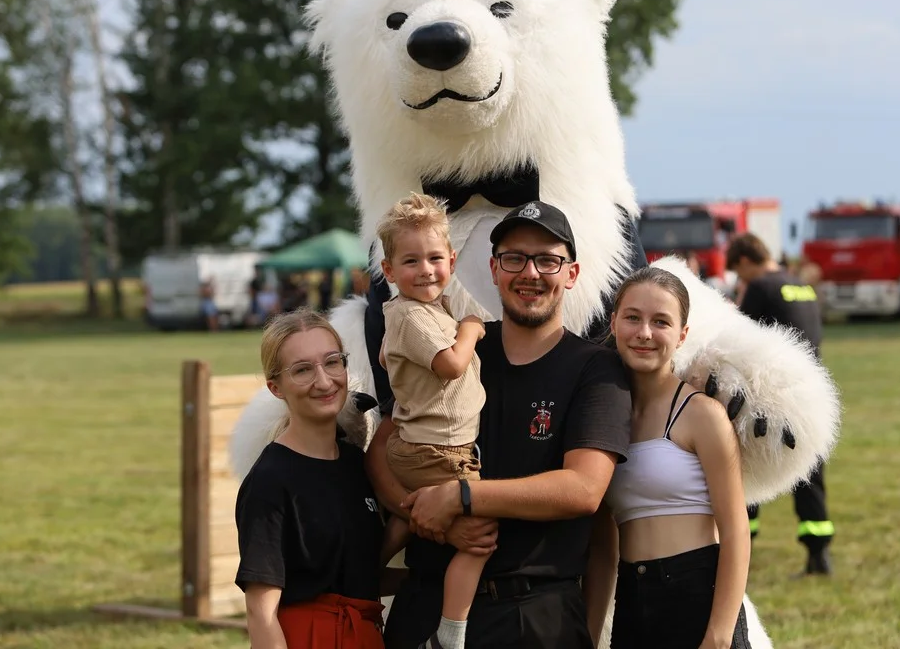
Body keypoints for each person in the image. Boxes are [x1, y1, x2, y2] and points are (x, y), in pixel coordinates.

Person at [365, 200, 633, 649]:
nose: (530, 273)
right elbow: (383, 452)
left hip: (535, 616)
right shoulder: (460, 348)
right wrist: (432, 517)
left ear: (571, 273)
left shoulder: (597, 370)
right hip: (428, 609)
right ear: (493, 269)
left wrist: (461, 497)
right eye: (514, 258)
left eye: (548, 260)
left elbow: (583, 491)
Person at [587, 266, 752, 648]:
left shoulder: (702, 415)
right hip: (632, 601)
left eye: (660, 321)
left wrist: (720, 634)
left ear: (682, 335)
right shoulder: (603, 418)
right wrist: (591, 634)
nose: (644, 333)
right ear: (613, 323)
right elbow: (603, 547)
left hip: (696, 597)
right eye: (633, 318)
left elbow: (736, 530)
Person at [234, 307, 407, 649]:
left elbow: (354, 576)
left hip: (365, 635)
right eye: (302, 370)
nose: (325, 381)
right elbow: (261, 611)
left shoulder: (358, 464)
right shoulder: (270, 480)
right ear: (276, 387)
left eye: (332, 362)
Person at [374, 193, 489, 649]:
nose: (425, 269)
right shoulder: (414, 316)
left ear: (452, 260)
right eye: (410, 261)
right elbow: (451, 366)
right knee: (479, 540)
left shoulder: (417, 311)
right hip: (439, 450)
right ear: (388, 271)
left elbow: (387, 356)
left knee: (407, 520)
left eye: (435, 258)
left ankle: (361, 573)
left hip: (420, 444)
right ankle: (449, 636)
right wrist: (473, 327)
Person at [725, 233, 834, 576]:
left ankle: (742, 555)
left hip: (769, 400)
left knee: (746, 475)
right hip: (809, 397)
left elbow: (741, 338)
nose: (741, 281)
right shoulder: (800, 285)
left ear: (744, 262)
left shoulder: (760, 287)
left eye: (739, 274)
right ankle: (819, 555)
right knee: (809, 477)